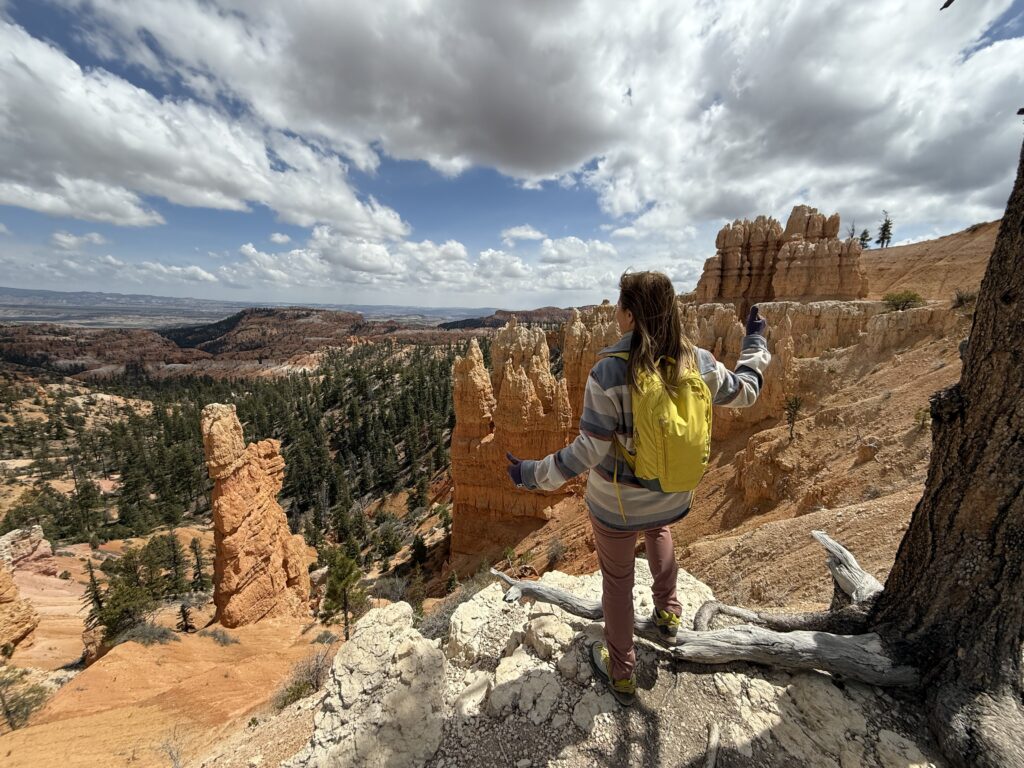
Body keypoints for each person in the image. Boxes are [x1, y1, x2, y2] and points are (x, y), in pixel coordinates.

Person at [506, 271, 770, 705]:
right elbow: (747, 392)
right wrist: (755, 346)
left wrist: (531, 475)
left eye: (618, 304)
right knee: (660, 530)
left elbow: (587, 453)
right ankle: (668, 613)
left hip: (618, 507)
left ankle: (622, 670)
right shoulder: (698, 361)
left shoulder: (609, 371)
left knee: (617, 582)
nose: (613, 311)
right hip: (673, 496)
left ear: (628, 314)